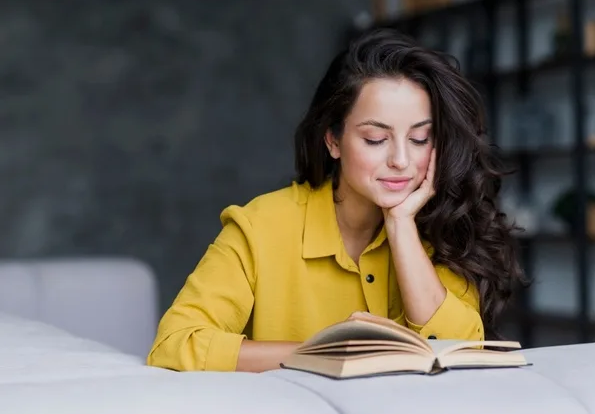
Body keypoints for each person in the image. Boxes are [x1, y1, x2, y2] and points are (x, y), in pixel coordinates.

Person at [147, 28, 525, 373]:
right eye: (375, 139)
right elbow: (175, 344)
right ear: (333, 141)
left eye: (419, 139)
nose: (401, 160)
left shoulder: (443, 221)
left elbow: (460, 349)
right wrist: (323, 353)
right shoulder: (261, 225)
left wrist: (401, 226)